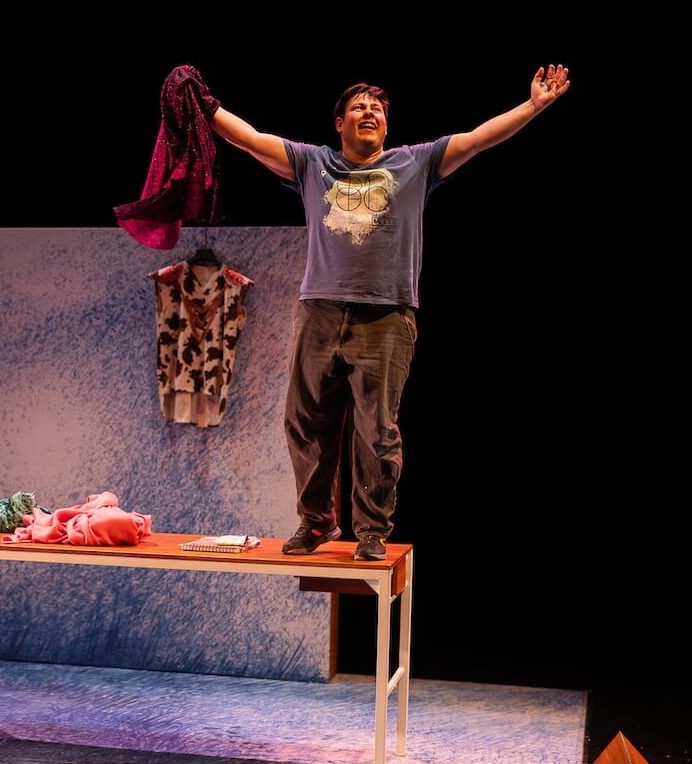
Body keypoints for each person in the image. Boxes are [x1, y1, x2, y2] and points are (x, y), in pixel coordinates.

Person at [210, 66, 570, 560]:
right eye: (358, 107)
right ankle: (315, 521)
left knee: (376, 429)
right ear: (340, 123)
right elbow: (250, 139)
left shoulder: (414, 163)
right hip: (319, 309)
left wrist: (532, 106)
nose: (369, 112)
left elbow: (478, 139)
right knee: (304, 420)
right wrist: (205, 106)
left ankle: (371, 530)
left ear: (386, 124)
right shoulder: (313, 163)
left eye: (377, 108)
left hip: (386, 315)